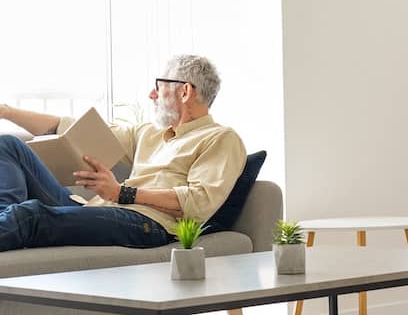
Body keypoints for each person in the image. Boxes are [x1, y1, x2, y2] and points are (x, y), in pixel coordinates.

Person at [0, 54, 246, 252]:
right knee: (8, 146)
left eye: (158, 87)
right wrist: (7, 112)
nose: (152, 95)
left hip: (147, 224)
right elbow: (73, 130)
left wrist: (121, 193)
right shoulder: (149, 133)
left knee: (28, 215)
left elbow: (199, 203)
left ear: (184, 92)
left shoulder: (220, 138)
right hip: (99, 209)